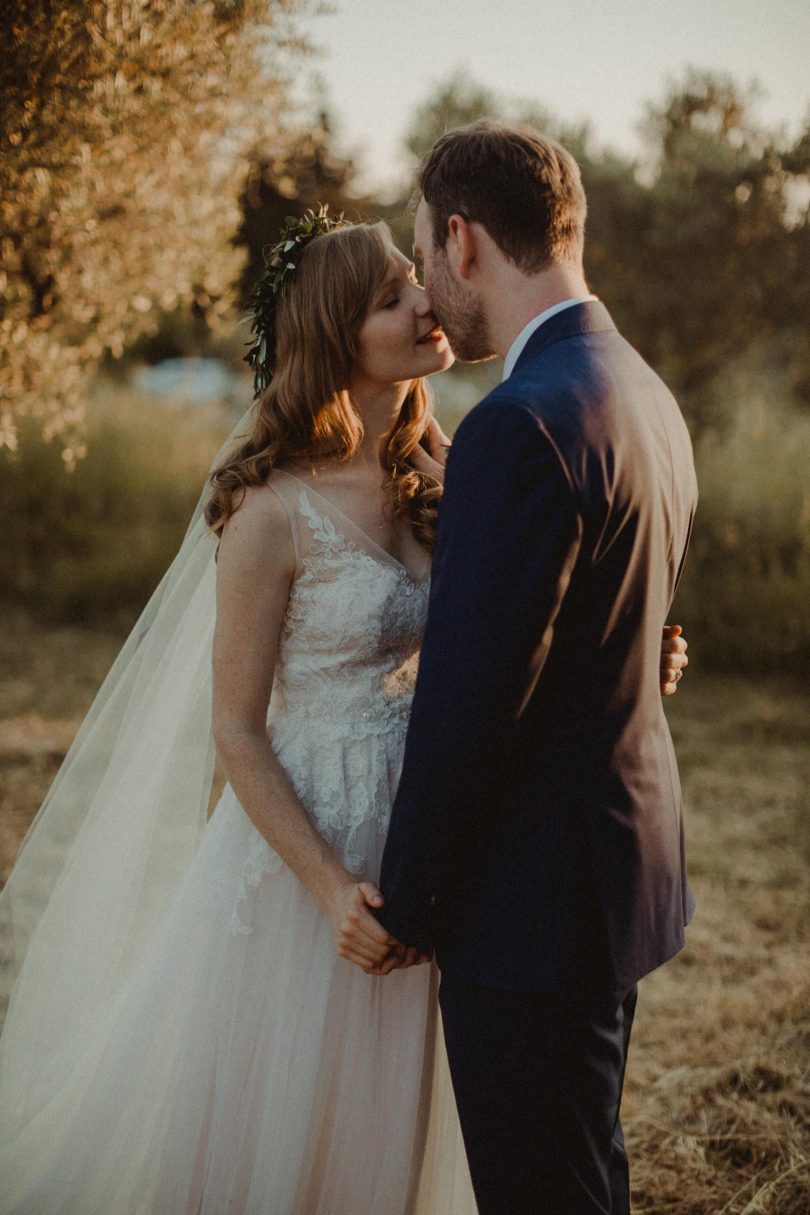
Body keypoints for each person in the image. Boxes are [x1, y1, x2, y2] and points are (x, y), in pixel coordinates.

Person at [0, 204, 688, 1214]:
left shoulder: (449, 472)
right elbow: (234, 730)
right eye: (392, 298)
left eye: (419, 280)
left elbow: (516, 631)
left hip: (430, 844)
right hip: (309, 867)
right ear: (336, 336)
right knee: (282, 1124)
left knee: (392, 1130)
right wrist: (332, 894)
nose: (428, 301)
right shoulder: (270, 511)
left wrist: (632, 646)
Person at [374, 121, 698, 1215]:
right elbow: (600, 601)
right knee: (581, 1167)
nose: (425, 287)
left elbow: (468, 707)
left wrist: (408, 904)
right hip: (612, 874)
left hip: (530, 906)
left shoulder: (520, 421)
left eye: (423, 255)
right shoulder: (636, 388)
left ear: (463, 241)